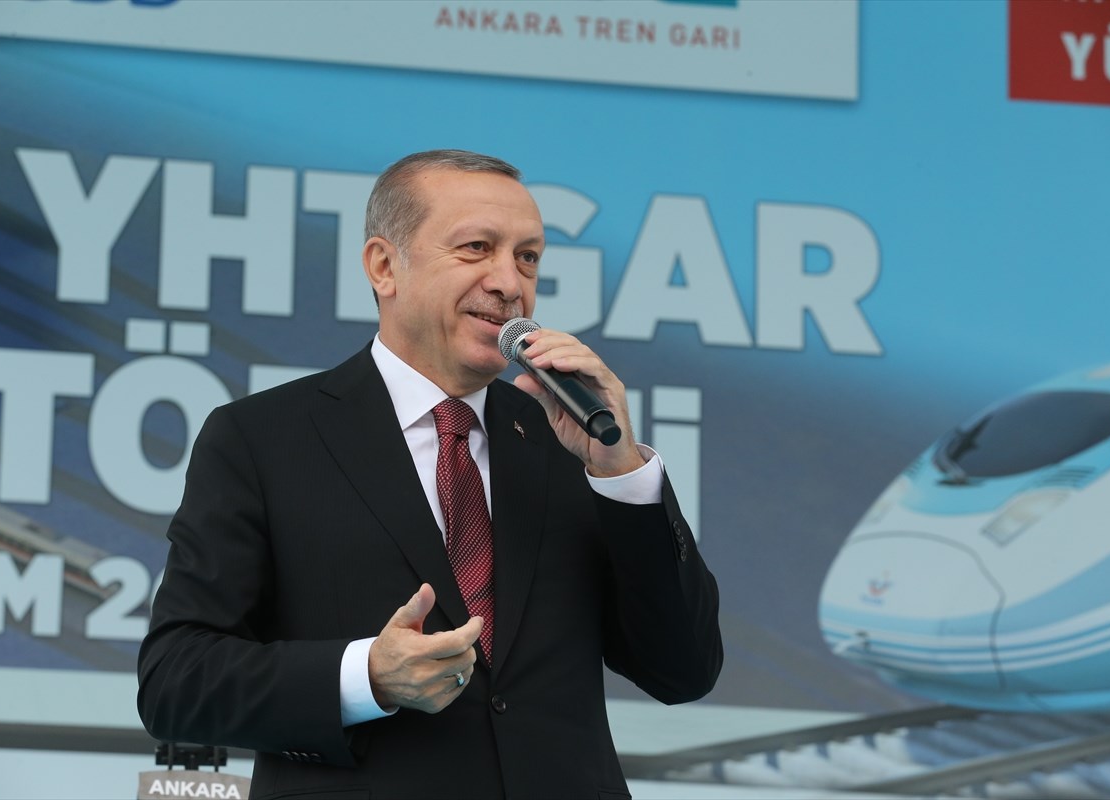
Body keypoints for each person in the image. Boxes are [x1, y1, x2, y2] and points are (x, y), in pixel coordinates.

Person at [137, 149, 723, 799]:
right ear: (384, 267)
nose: (510, 283)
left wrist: (623, 474)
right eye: (477, 248)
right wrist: (367, 676)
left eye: (528, 257)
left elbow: (684, 671)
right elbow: (175, 683)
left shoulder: (571, 439)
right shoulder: (262, 438)